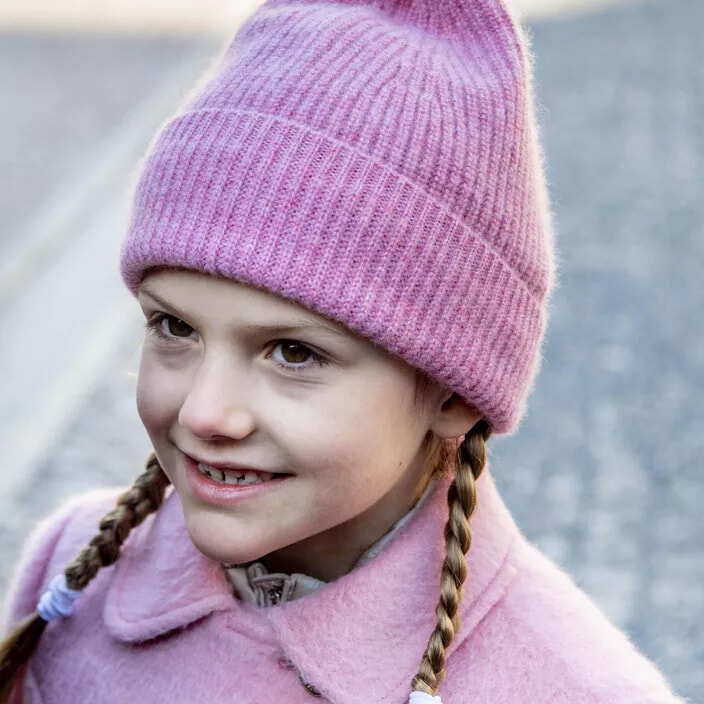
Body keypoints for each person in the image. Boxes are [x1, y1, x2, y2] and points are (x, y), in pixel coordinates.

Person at [0, 0, 687, 702]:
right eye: (175, 328)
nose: (205, 412)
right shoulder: (75, 575)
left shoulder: (579, 688)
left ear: (454, 391)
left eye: (294, 353)